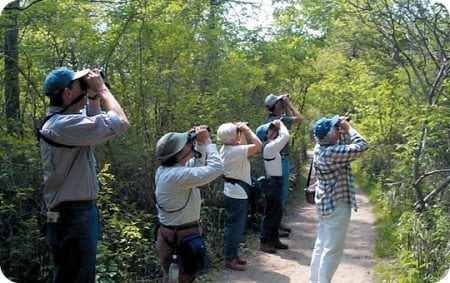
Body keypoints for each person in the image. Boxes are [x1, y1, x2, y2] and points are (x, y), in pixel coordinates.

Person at [39, 67, 130, 282]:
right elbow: (120, 123)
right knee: (77, 277)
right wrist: (103, 90)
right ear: (68, 92)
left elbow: (93, 121)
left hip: (73, 214)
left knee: (75, 276)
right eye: (82, 85)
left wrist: (92, 96)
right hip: (73, 216)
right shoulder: (63, 125)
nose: (87, 86)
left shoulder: (64, 123)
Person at [154, 126, 223, 283]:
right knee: (184, 277)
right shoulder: (176, 176)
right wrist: (207, 141)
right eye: (186, 143)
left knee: (173, 277)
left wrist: (198, 144)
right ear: (178, 154)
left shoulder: (167, 170)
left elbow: (196, 169)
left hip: (172, 235)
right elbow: (216, 168)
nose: (189, 144)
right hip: (181, 238)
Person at [309, 115, 369, 283]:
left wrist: (338, 127)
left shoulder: (320, 147)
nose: (338, 129)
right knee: (332, 251)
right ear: (331, 134)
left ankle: (314, 280)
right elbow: (362, 146)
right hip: (336, 205)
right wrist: (349, 129)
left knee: (321, 245)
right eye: (335, 128)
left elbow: (337, 142)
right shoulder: (332, 153)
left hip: (325, 204)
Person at [217, 122, 262, 271]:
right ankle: (230, 259)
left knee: (236, 226)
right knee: (235, 227)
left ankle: (233, 255)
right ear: (231, 138)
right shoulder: (235, 152)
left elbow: (241, 145)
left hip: (234, 191)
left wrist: (240, 133)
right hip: (237, 194)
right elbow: (258, 144)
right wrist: (247, 129)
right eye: (236, 133)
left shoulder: (226, 148)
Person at [264, 94, 302, 235]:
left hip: (275, 160)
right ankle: (275, 227)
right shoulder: (280, 120)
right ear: (277, 105)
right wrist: (289, 103)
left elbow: (290, 122)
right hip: (282, 160)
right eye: (279, 102)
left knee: (278, 193)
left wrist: (283, 104)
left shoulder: (271, 120)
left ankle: (277, 223)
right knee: (281, 194)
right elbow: (299, 118)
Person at [255, 119, 290, 253]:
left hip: (276, 182)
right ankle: (264, 242)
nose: (273, 129)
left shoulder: (271, 145)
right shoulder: (269, 147)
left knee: (277, 213)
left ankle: (274, 240)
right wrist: (280, 124)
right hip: (272, 183)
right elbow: (285, 137)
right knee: (270, 214)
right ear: (266, 135)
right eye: (269, 129)